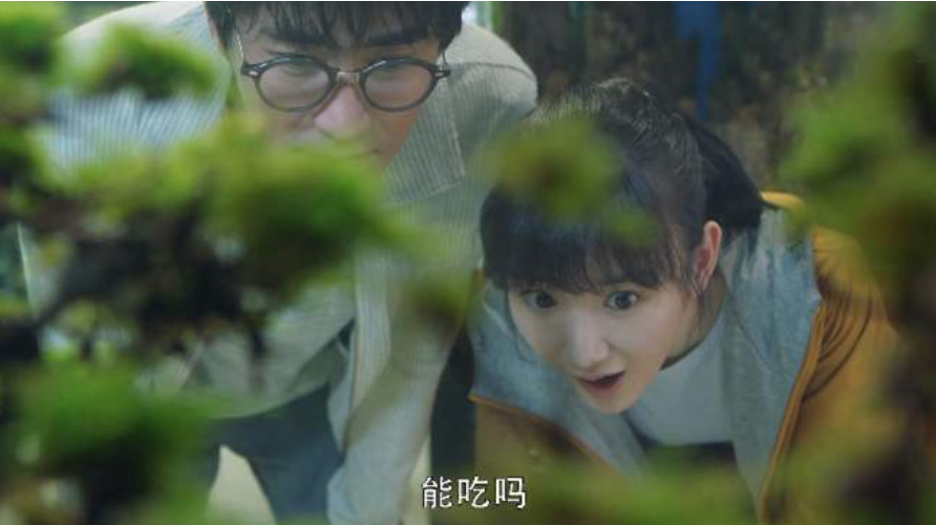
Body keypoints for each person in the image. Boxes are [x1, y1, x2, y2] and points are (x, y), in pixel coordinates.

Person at [25, 2, 537, 522]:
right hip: (149, 383)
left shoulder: (487, 98)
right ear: (218, 30)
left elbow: (412, 345)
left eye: (391, 66)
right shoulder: (78, 93)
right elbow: (81, 342)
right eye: (295, 65)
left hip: (310, 386)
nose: (345, 126)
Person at [471, 77, 902, 522]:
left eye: (622, 299)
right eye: (543, 299)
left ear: (701, 260)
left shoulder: (816, 290)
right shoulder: (504, 316)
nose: (584, 353)